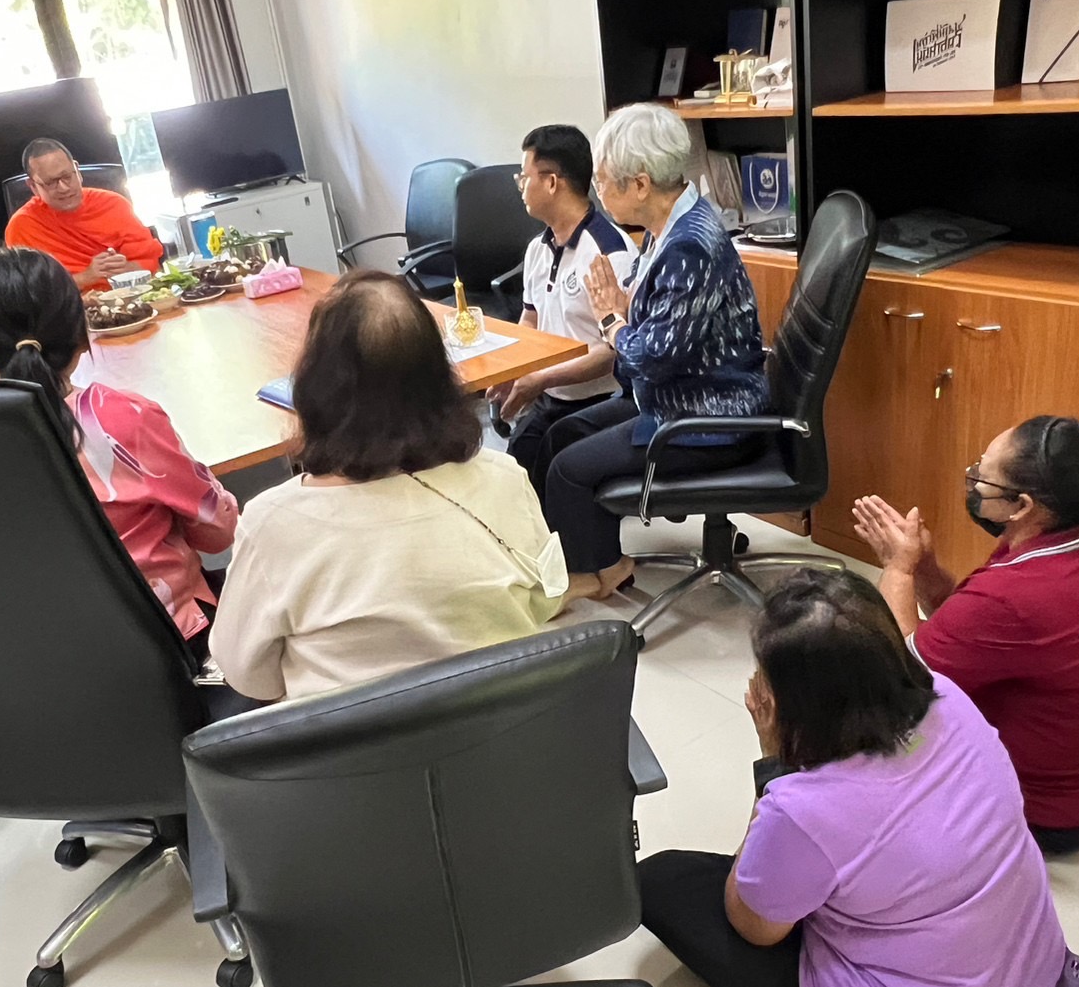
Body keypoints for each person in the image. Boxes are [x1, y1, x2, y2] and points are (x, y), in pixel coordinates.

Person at [640, 569, 1067, 987]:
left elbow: (753, 927)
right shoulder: (951, 698)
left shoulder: (804, 808)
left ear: (798, 701)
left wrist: (774, 763)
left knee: (660, 881)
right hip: (1033, 973)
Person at [209, 270, 577, 703]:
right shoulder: (504, 477)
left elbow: (246, 675)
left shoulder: (271, 522)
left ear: (314, 388)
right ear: (441, 377)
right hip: (509, 729)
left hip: (355, 745)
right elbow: (545, 600)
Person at [853, 416, 1079, 855]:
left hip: (1047, 818)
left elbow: (904, 671)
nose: (974, 480)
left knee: (865, 699)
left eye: (984, 474)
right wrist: (926, 568)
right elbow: (970, 631)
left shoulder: (1015, 595)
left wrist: (897, 569)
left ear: (1023, 506)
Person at [541, 103, 767, 598]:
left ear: (640, 184)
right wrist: (625, 310)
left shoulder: (690, 245)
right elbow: (666, 323)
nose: (598, 192)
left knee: (568, 470)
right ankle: (600, 559)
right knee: (562, 434)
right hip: (682, 395)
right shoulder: (671, 224)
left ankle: (598, 573)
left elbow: (651, 359)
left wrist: (610, 320)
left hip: (707, 417)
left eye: (603, 182)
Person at [0, 248, 237, 660]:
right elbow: (217, 531)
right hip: (170, 641)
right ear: (82, 332)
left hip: (49, 656)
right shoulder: (124, 417)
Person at [487, 124, 637, 491]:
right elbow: (530, 320)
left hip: (599, 402)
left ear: (552, 182)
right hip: (550, 396)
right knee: (513, 476)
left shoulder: (609, 253)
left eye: (524, 177)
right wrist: (513, 370)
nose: (521, 186)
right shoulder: (537, 249)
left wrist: (541, 379)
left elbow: (614, 353)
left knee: (554, 480)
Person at [4, 138, 163, 291]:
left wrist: (123, 268)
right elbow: (31, 290)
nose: (64, 188)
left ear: (77, 171)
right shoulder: (22, 225)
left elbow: (149, 261)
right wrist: (87, 277)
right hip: (72, 305)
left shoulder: (113, 204)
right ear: (33, 186)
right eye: (51, 182)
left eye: (67, 177)